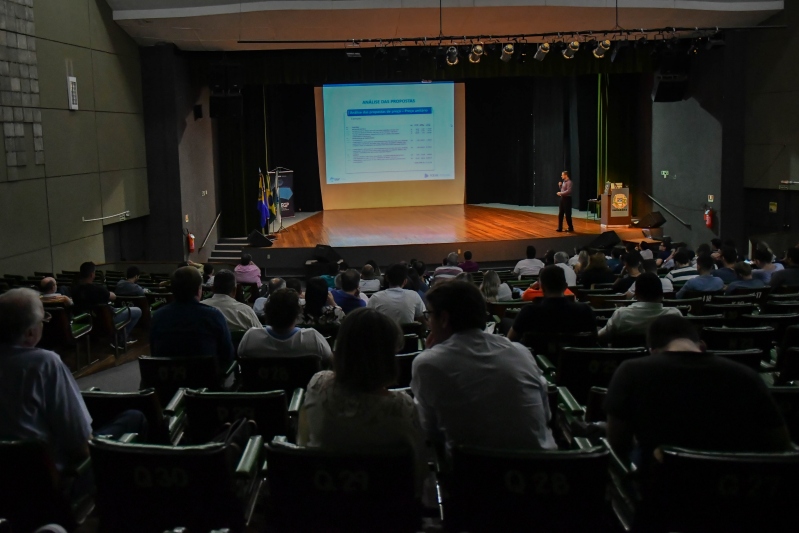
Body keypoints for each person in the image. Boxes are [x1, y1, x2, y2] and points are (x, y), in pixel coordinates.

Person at [605, 314, 791, 470]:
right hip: (733, 493)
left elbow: (617, 442)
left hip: (659, 493)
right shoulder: (746, 375)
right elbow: (779, 442)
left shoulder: (631, 371)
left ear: (652, 351)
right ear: (702, 345)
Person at [0, 289, 146, 472]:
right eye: (42, 320)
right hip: (54, 479)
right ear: (30, 333)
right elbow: (80, 445)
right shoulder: (44, 364)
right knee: (135, 417)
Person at [411, 281, 556, 451]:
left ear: (443, 319)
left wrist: (431, 355)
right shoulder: (521, 352)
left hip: (473, 474)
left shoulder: (428, 363)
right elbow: (546, 416)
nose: (428, 322)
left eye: (429, 315)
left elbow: (428, 431)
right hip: (543, 469)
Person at [298, 307, 427, 491]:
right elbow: (417, 475)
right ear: (389, 357)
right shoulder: (403, 408)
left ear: (341, 348)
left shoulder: (318, 385)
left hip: (323, 509)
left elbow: (303, 443)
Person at [149, 266, 233, 364]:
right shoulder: (213, 316)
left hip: (167, 377)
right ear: (198, 290)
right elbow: (227, 356)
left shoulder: (158, 316)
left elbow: (154, 353)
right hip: (205, 378)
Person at [239, 288, 332, 362]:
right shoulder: (313, 338)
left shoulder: (250, 337)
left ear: (267, 312)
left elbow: (240, 356)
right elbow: (331, 360)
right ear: (297, 313)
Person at [507, 266, 595, 342]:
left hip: (534, 360)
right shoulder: (585, 311)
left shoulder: (528, 312)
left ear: (543, 288)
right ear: (565, 286)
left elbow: (510, 340)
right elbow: (594, 340)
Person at [72, 262, 140, 345]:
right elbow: (113, 297)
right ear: (92, 274)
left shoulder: (74, 290)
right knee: (137, 311)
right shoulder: (98, 289)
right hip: (107, 318)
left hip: (86, 320)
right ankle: (122, 337)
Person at [599, 273, 682, 341]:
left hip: (626, 360)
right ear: (661, 295)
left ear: (636, 295)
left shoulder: (621, 314)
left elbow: (602, 335)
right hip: (664, 360)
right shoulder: (675, 315)